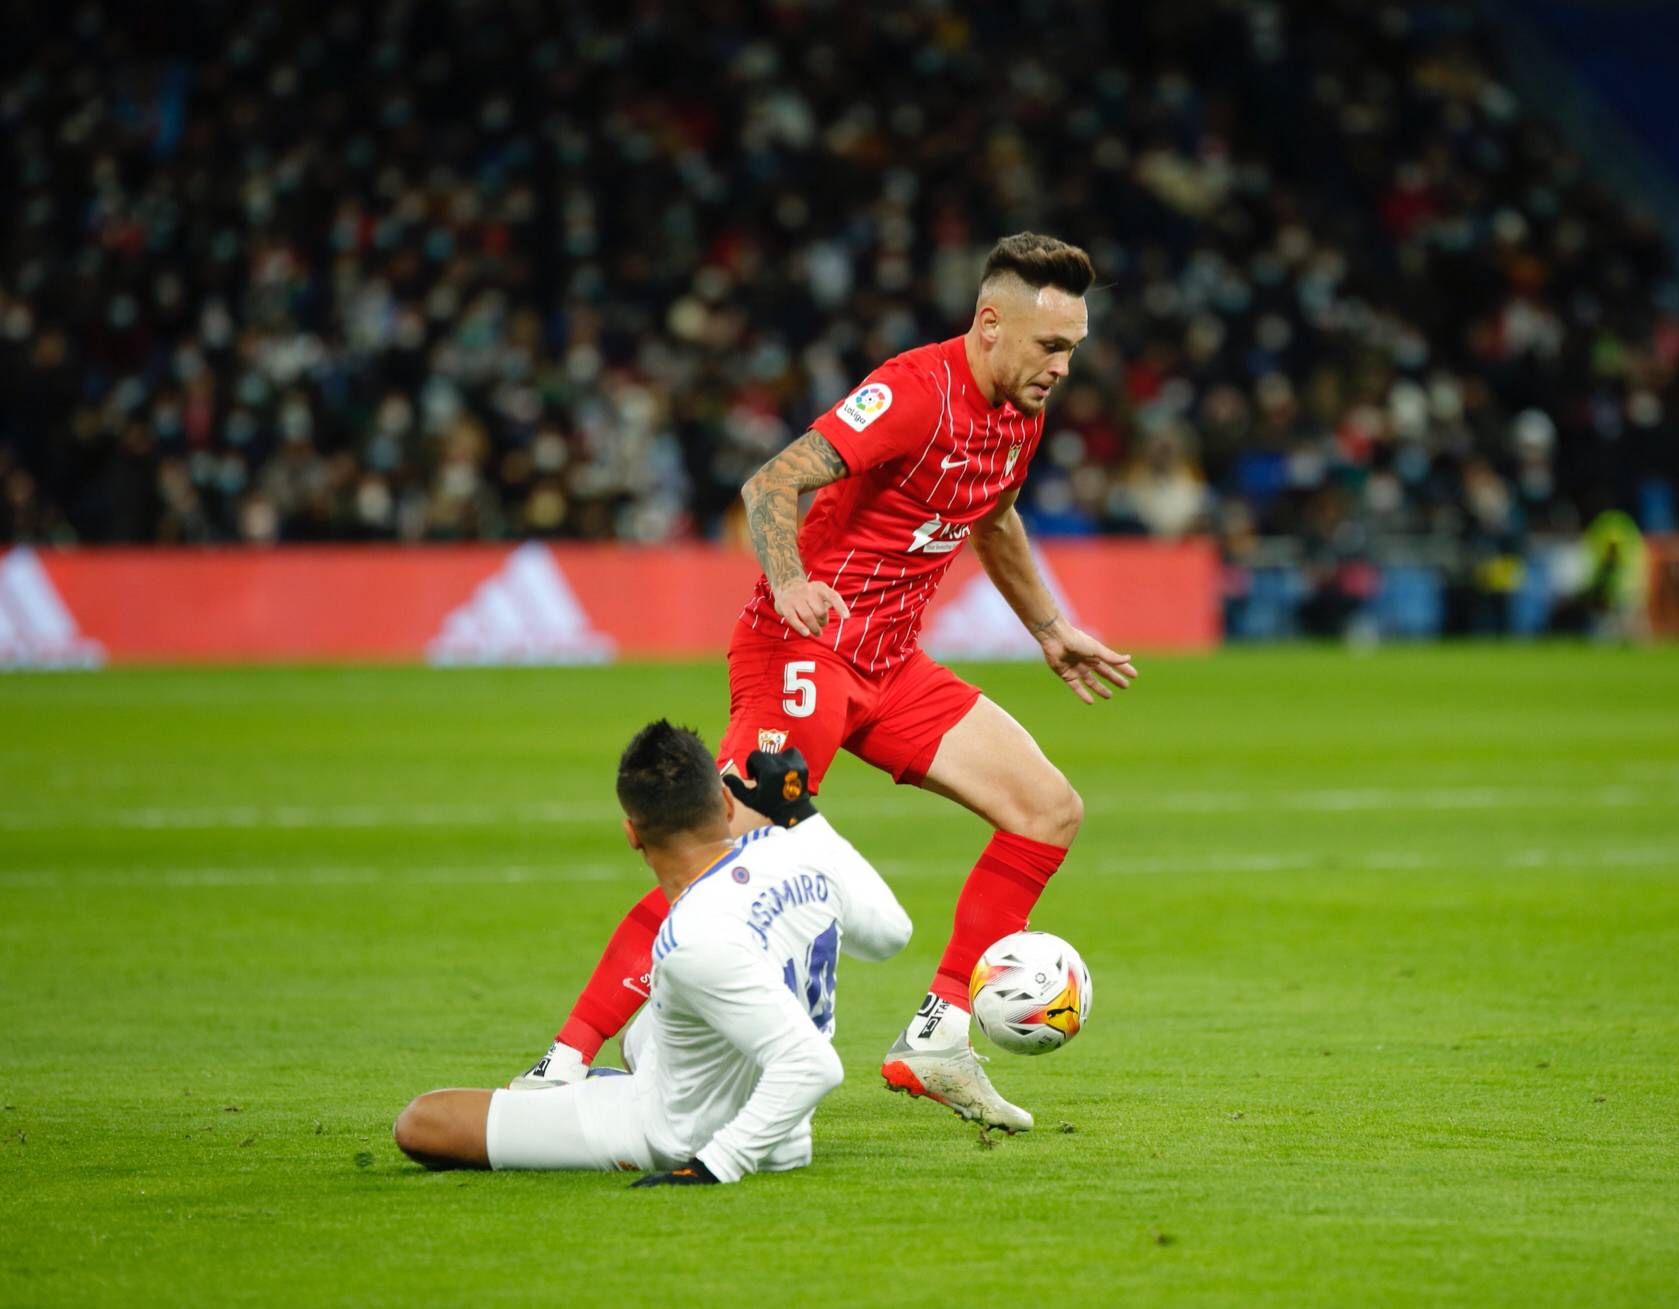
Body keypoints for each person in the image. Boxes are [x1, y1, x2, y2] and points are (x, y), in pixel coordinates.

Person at [516, 234, 1135, 1133]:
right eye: (1050, 345)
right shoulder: (915, 393)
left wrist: (1048, 627)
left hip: (888, 663)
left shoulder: (1018, 414)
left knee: (1048, 808)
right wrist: (790, 575)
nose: (1062, 366)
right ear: (990, 321)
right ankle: (563, 1061)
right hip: (799, 652)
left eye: (1072, 347)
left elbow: (992, 514)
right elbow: (772, 479)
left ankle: (937, 1034)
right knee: (717, 864)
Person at [394, 727, 911, 1183]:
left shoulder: (691, 935)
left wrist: (716, 1164)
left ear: (632, 835)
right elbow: (892, 934)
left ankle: (584, 1097)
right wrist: (802, 814)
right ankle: (587, 1088)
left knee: (422, 1122)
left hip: (678, 1132)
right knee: (643, 1036)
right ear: (727, 806)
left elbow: (812, 1065)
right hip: (785, 1123)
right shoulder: (794, 849)